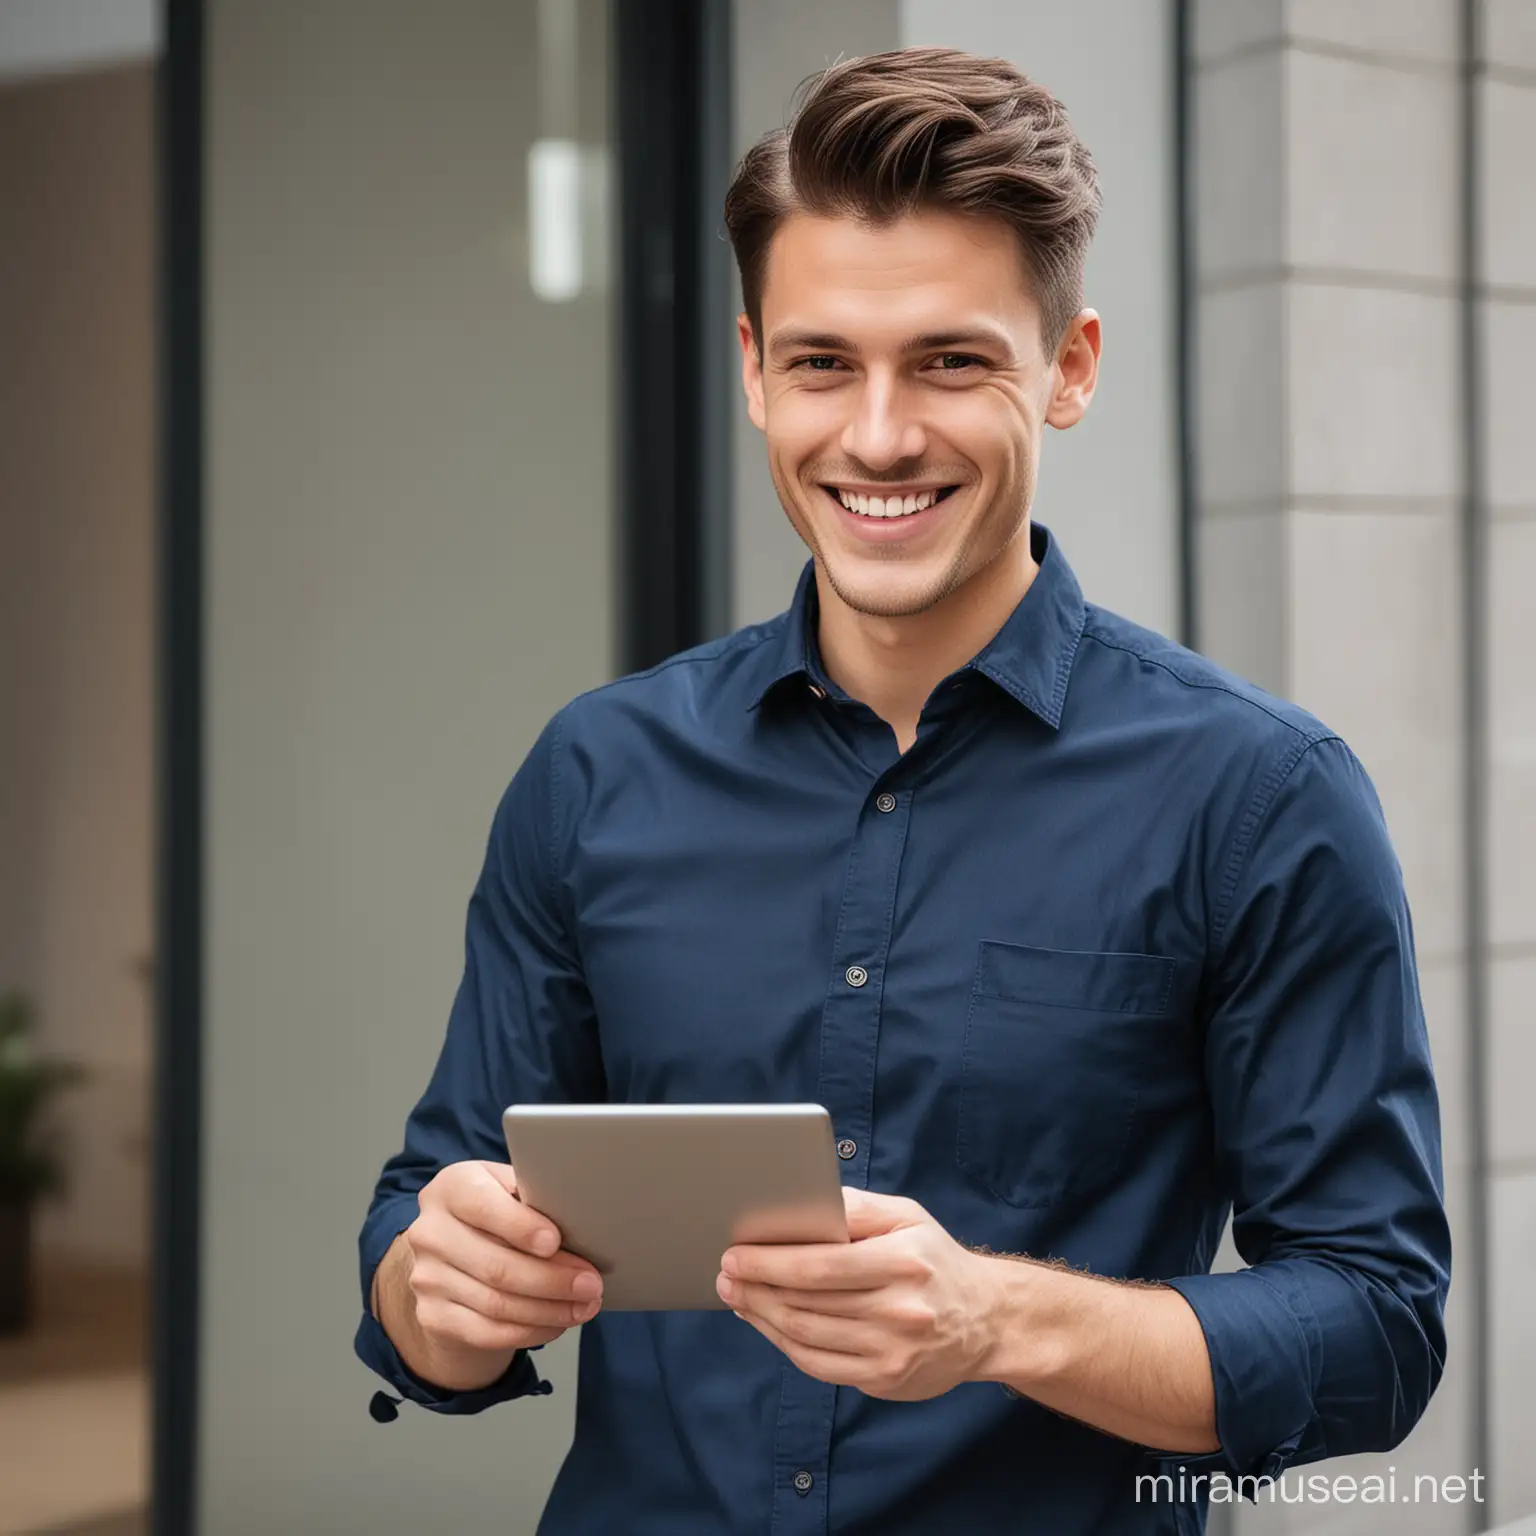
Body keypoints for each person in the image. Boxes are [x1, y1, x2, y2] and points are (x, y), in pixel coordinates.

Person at [355, 46, 1449, 1533]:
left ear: (1067, 370)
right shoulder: (595, 774)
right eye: (822, 363)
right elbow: (427, 1237)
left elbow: (1376, 1325)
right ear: (752, 371)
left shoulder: (1261, 796)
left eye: (951, 360)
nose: (877, 437)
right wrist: (440, 1288)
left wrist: (998, 1321)